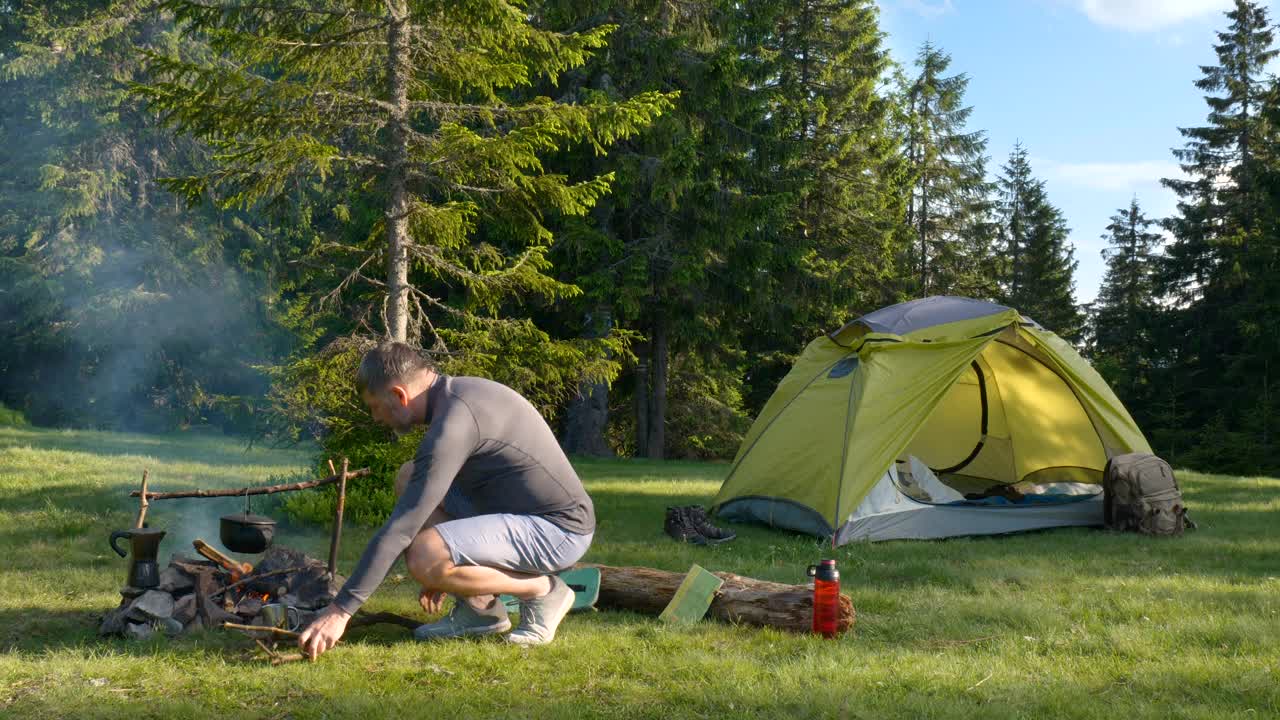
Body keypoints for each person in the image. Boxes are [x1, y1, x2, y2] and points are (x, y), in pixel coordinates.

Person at [299, 342, 595, 658]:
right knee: (408, 476)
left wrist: (340, 611)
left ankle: (543, 591)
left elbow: (401, 529)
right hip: (518, 514)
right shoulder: (456, 397)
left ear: (399, 395)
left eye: (375, 406)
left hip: (559, 530)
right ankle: (481, 610)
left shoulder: (453, 424)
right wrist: (455, 567)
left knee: (426, 556)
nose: (375, 417)